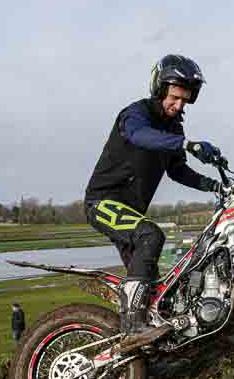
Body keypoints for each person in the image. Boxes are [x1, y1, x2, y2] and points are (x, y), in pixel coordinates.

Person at [84, 54, 222, 340]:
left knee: (151, 287)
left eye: (185, 100)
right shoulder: (136, 114)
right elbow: (138, 136)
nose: (178, 105)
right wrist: (187, 143)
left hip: (131, 211)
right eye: (174, 97)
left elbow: (177, 170)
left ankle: (141, 343)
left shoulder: (174, 128)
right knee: (151, 235)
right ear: (159, 89)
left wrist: (213, 185)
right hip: (103, 203)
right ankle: (133, 328)